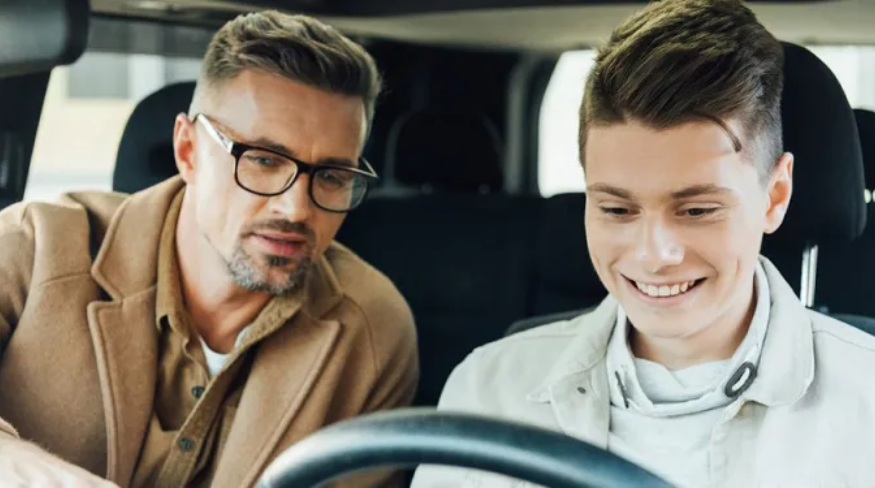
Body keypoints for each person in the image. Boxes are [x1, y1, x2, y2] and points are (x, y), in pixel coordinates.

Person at [411, 1, 875, 487]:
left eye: (697, 210)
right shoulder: (490, 389)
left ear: (774, 195)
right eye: (617, 210)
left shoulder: (864, 405)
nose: (654, 254)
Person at [0, 10, 418, 488]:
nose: (296, 208)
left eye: (332, 176)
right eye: (263, 160)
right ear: (188, 151)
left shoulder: (372, 331)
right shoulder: (34, 247)